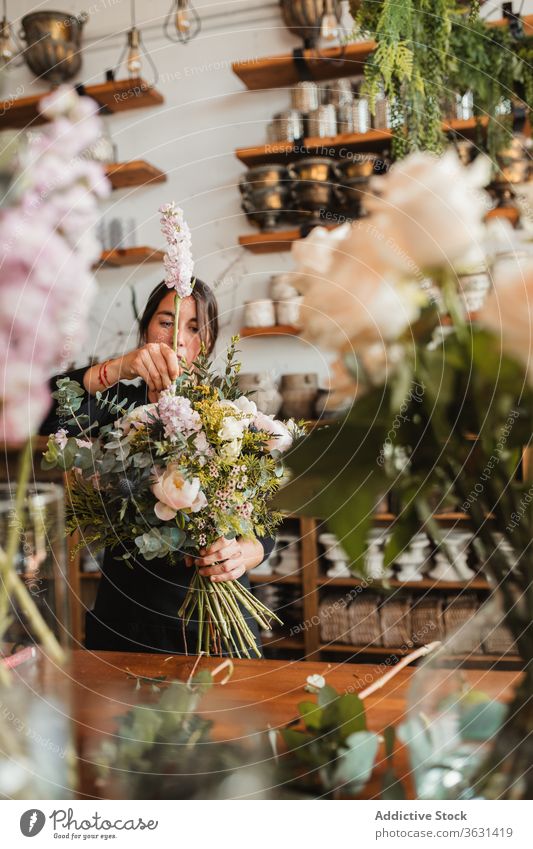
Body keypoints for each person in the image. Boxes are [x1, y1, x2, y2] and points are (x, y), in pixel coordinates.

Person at [40, 279, 275, 655]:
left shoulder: (232, 414)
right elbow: (39, 411)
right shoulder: (113, 406)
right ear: (146, 328)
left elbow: (266, 524)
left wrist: (241, 554)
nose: (177, 339)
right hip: (129, 617)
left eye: (194, 327)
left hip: (216, 623)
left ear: (210, 342)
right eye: (166, 322)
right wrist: (117, 368)